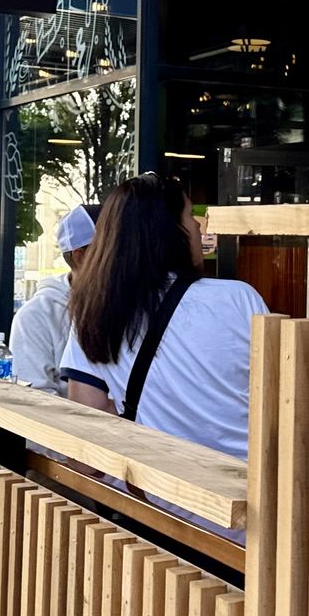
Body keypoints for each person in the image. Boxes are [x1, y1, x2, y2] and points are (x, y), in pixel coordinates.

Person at [61, 173, 267, 462]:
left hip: (155, 485)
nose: (198, 225)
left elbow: (87, 455)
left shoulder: (95, 312)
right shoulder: (239, 299)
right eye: (189, 215)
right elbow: (281, 398)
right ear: (168, 231)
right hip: (245, 481)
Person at [9, 204, 100, 395]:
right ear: (81, 257)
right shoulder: (35, 316)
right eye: (114, 249)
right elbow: (35, 397)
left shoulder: (138, 305)